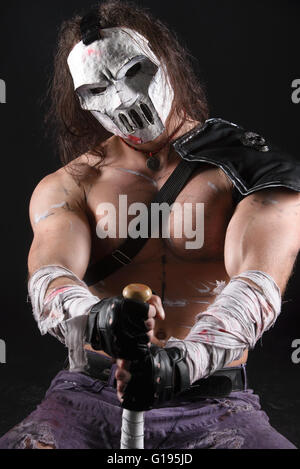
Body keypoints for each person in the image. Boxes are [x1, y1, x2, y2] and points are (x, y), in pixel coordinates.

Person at [1, 0, 300, 449]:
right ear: (80, 100)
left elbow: (259, 283)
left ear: (167, 63)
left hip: (214, 400)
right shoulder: (70, 184)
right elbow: (50, 273)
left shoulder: (253, 169)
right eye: (97, 88)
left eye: (133, 72)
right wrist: (96, 319)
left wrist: (183, 362)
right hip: (87, 394)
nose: (121, 100)